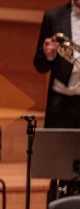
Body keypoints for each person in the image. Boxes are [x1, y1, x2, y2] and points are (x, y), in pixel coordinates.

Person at [34, 0, 80, 129]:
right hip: (61, 104)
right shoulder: (53, 16)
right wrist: (49, 55)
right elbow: (40, 65)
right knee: (57, 148)